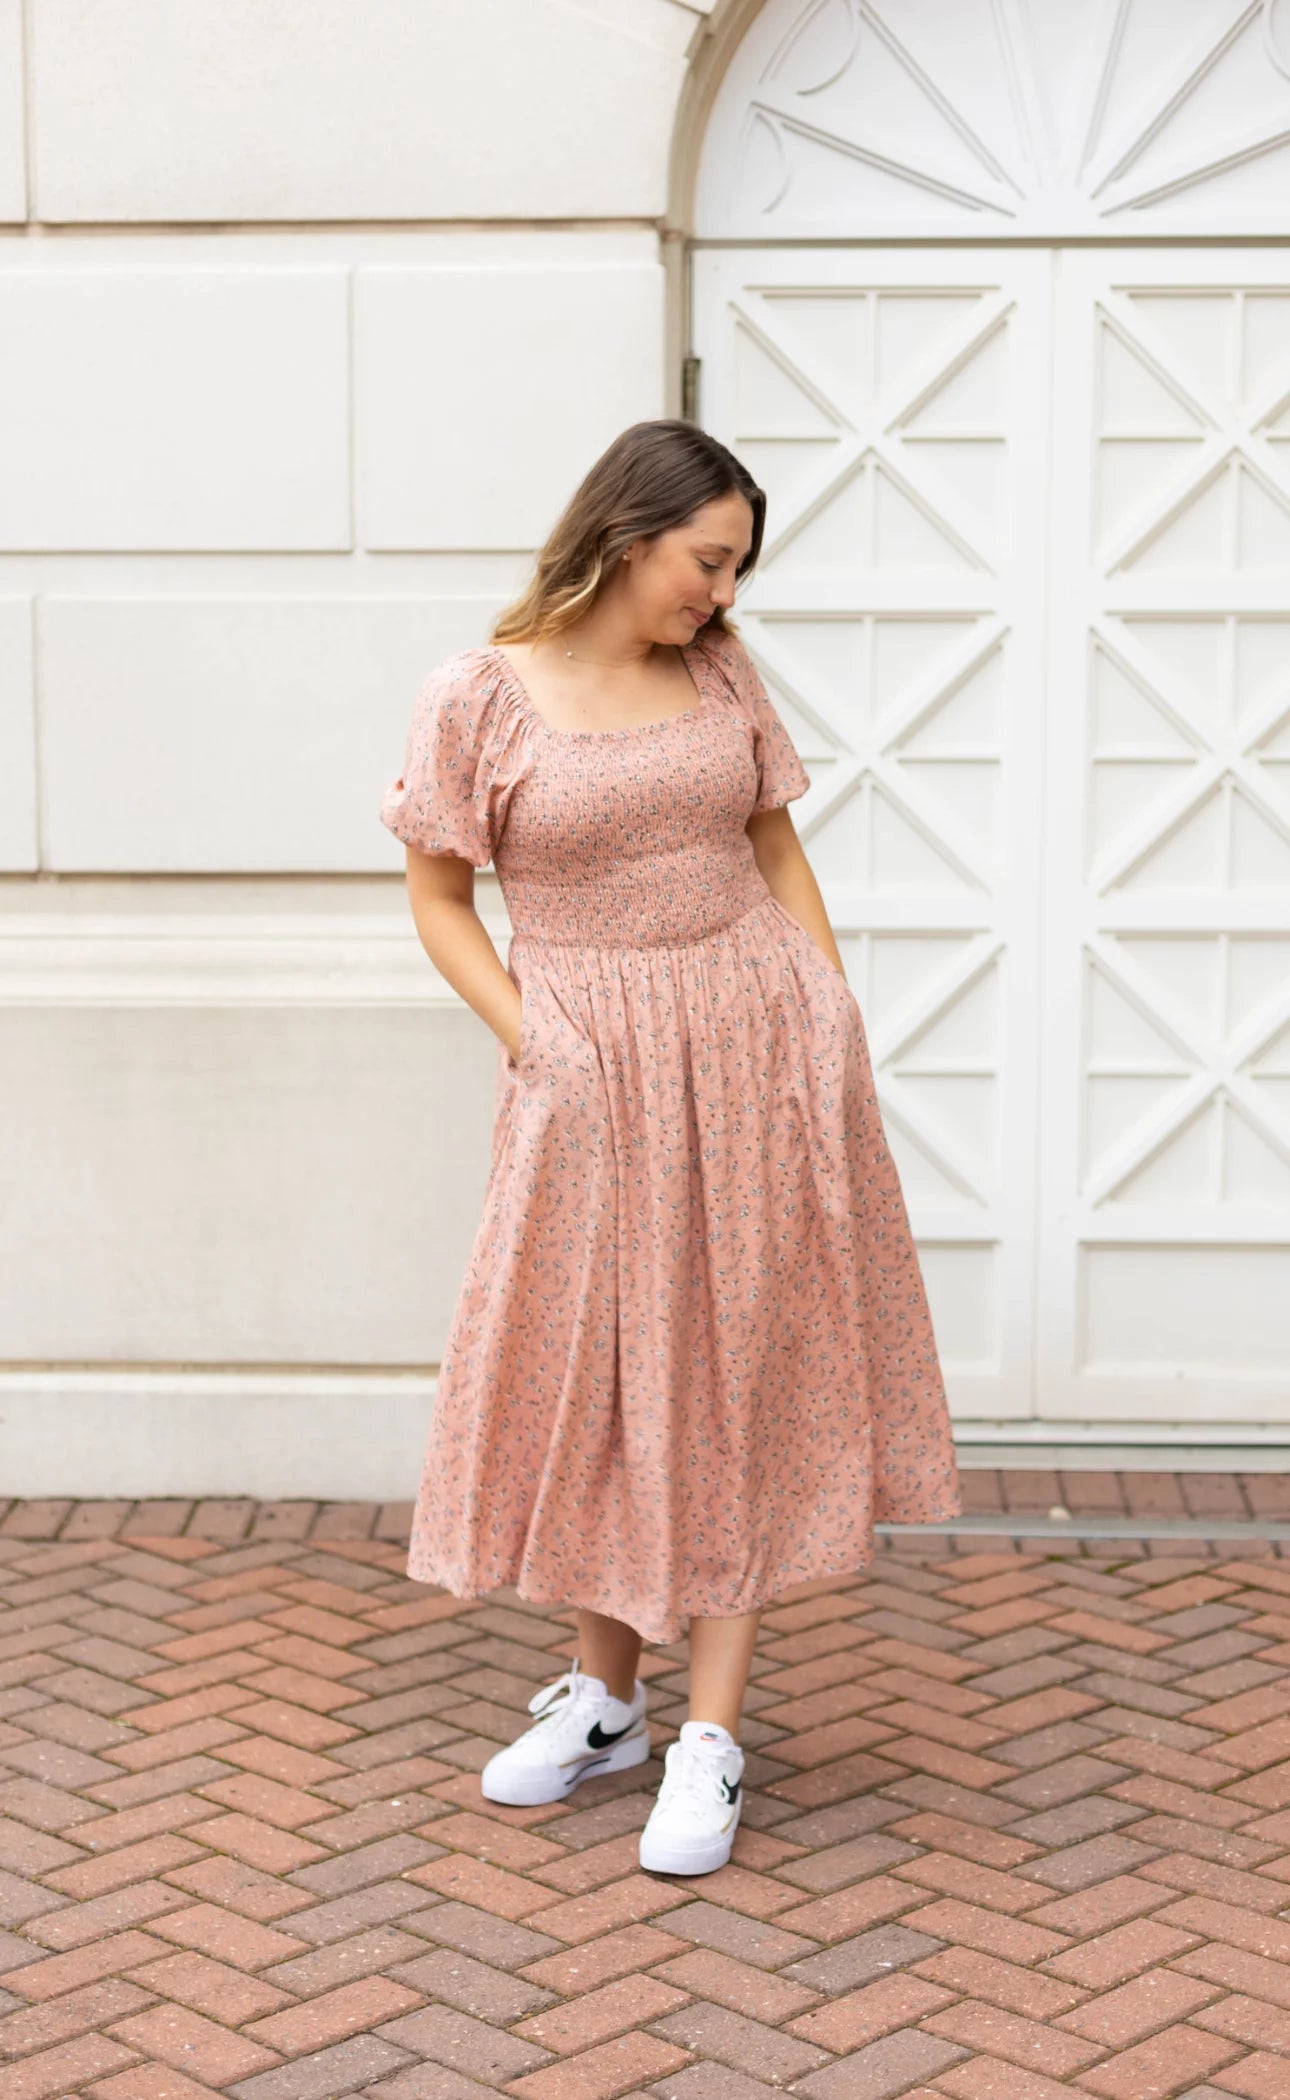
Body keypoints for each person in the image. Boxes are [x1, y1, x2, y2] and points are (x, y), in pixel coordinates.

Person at [379, 419, 961, 1877]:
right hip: (590, 1063)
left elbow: (774, 846)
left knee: (739, 1368)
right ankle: (605, 1705)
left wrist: (825, 1009)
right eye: (707, 560)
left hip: (753, 1034)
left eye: (736, 567)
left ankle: (709, 1733)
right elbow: (440, 896)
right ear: (628, 532)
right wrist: (533, 1034)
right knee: (606, 1374)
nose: (720, 592)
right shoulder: (478, 695)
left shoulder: (718, 674)